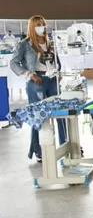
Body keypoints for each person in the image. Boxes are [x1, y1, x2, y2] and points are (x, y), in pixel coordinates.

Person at [10, 15, 67, 163]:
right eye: (38, 24)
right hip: (36, 81)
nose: (42, 27)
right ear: (32, 27)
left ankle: (65, 145)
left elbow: (57, 62)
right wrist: (29, 75)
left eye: (43, 24)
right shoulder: (24, 44)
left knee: (60, 113)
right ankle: (38, 149)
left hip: (52, 80)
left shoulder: (50, 43)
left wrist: (58, 73)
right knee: (38, 116)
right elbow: (14, 63)